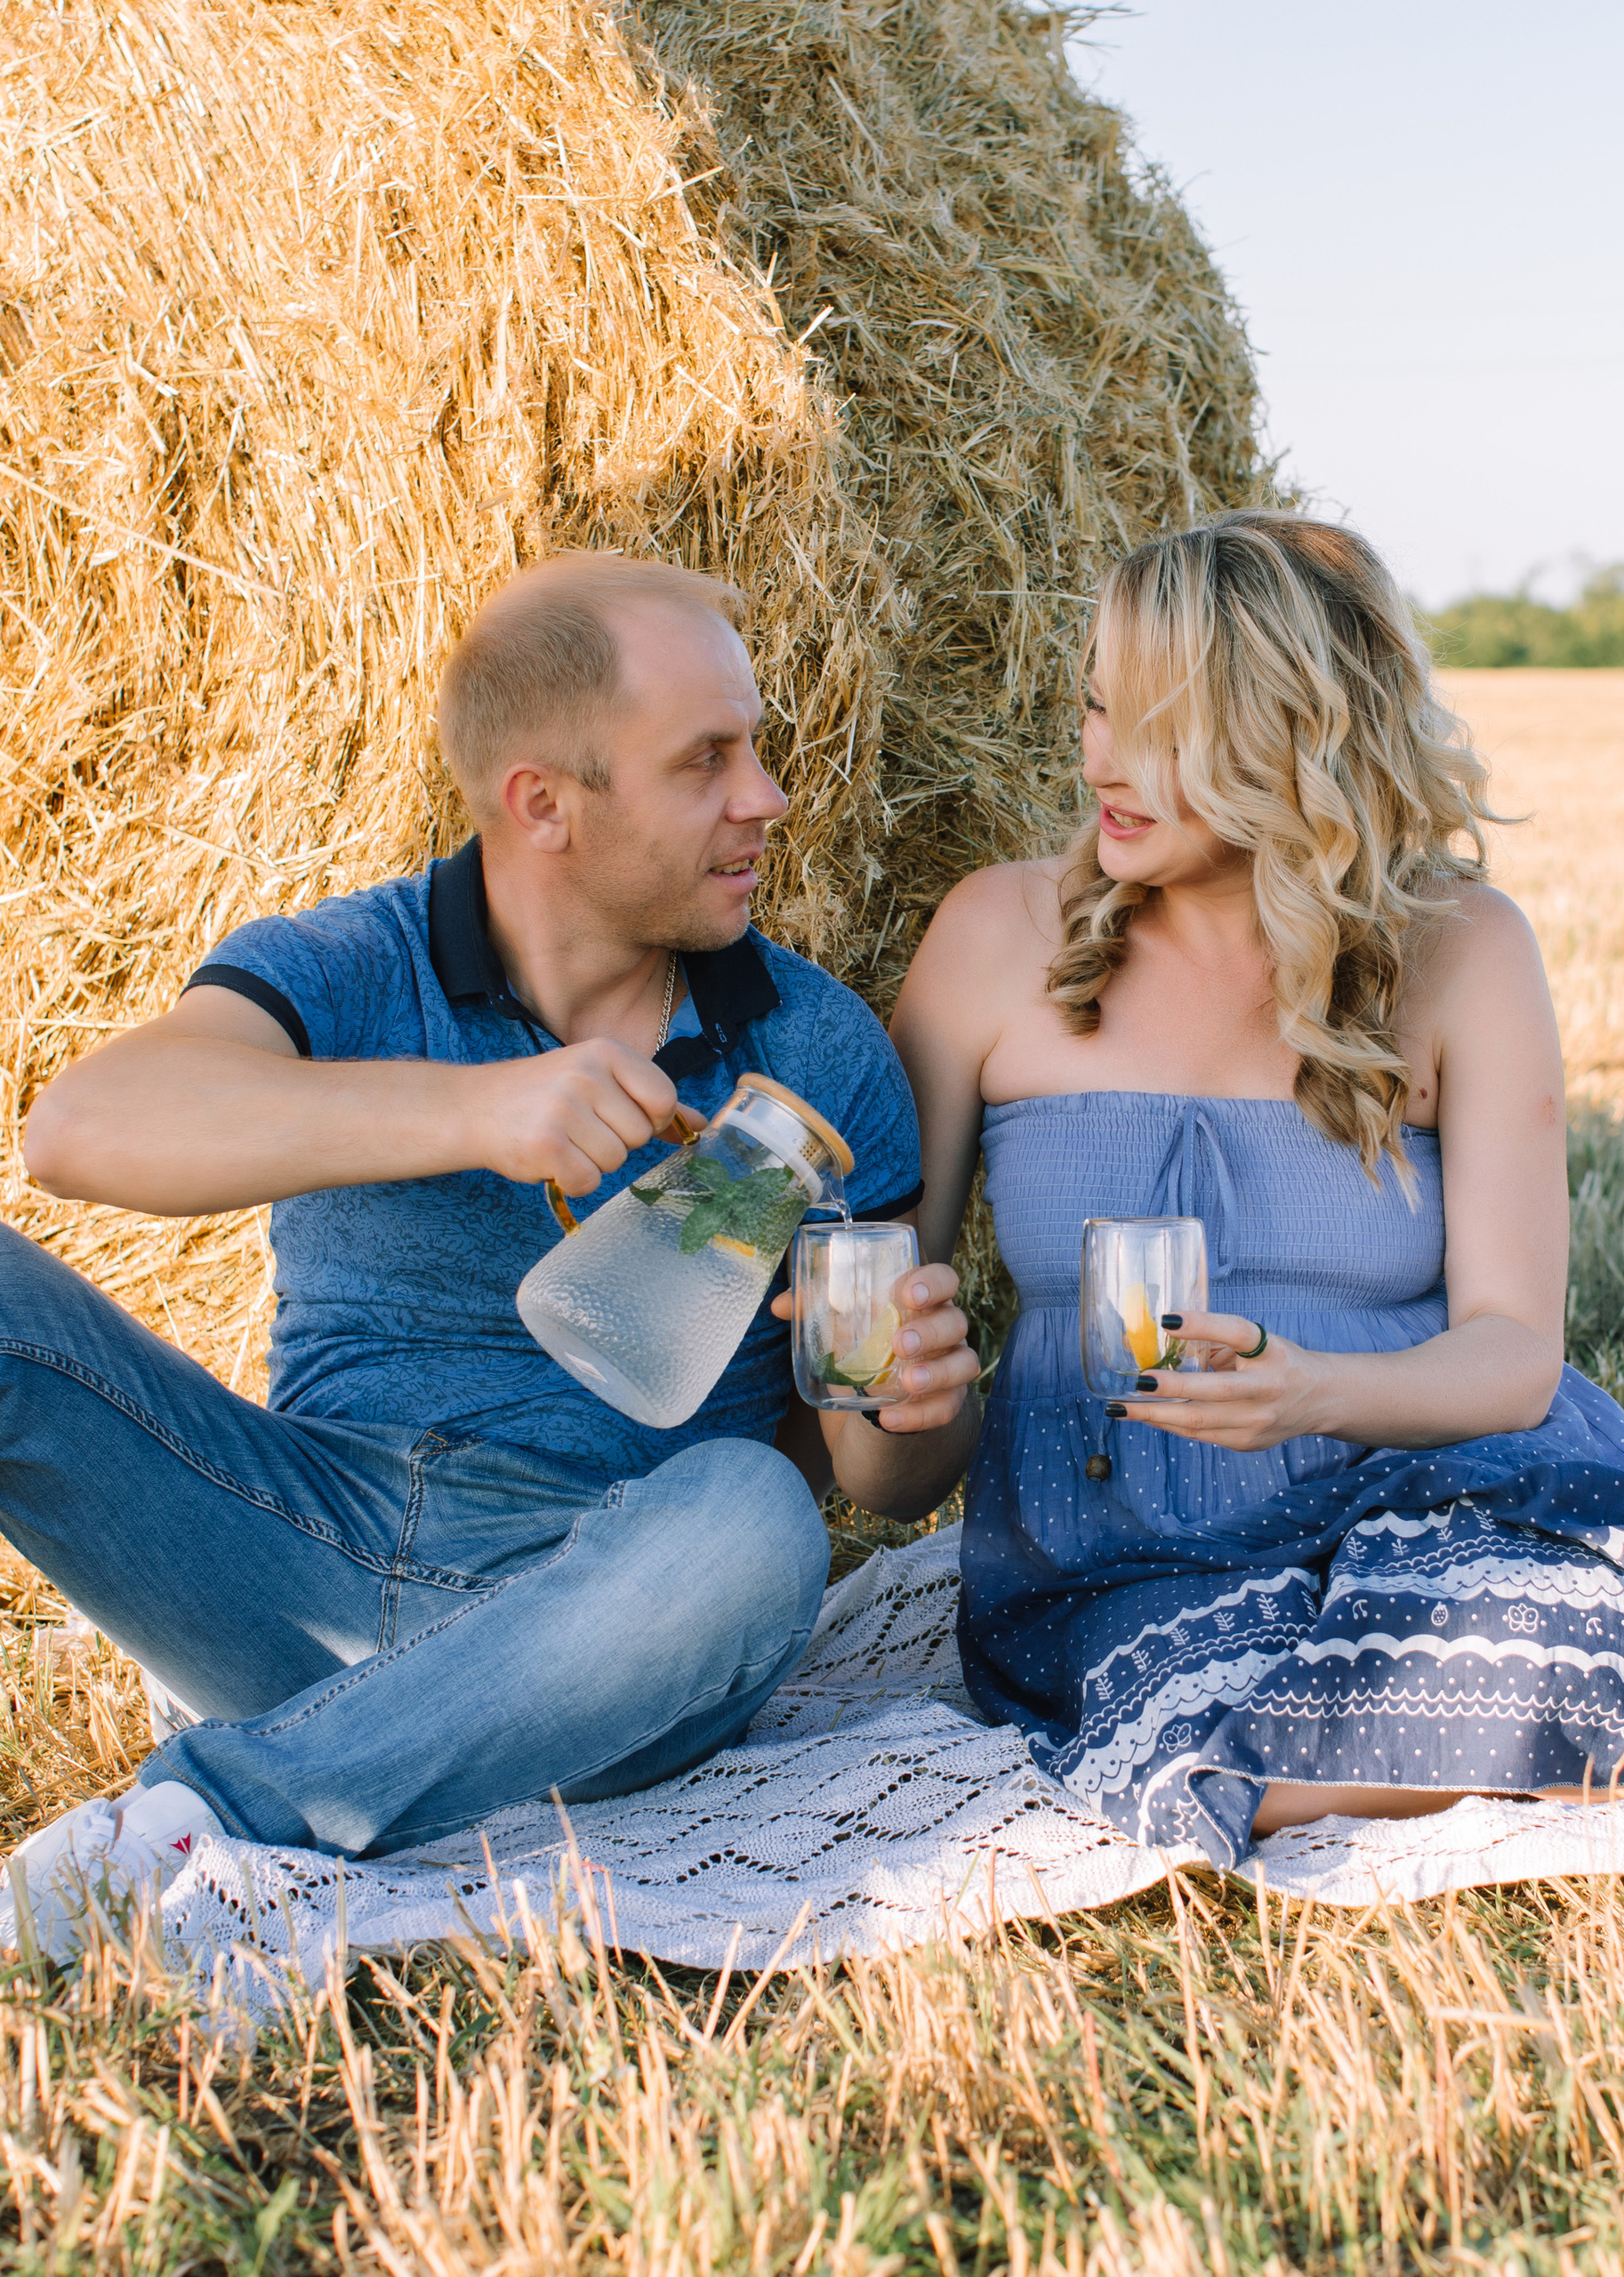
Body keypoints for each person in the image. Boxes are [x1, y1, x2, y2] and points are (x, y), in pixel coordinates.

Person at [890, 509, 1624, 1870]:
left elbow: (1512, 1353)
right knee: (1218, 1756)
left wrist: (1310, 1391)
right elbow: (888, 1432)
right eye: (1097, 708)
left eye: (1167, 726)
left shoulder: (1461, 952)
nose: (1106, 762)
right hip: (1118, 1558)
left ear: (1297, 738)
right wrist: (881, 1394)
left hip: (1429, 1493)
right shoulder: (991, 937)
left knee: (1506, 1651)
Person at [4, 552, 981, 1947]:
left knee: (757, 1518)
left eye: (754, 749)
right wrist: (478, 1106)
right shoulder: (353, 963)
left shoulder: (813, 1049)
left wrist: (914, 1401)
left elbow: (882, 1481)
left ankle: (202, 1820)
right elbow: (84, 1129)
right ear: (544, 805)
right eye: (707, 760)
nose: (764, 796)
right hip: (296, 1553)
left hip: (609, 1625)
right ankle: (355, 1758)